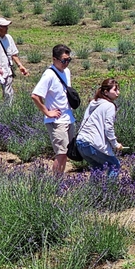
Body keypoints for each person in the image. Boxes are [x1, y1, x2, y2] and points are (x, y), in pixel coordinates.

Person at [31, 44, 76, 176]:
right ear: (54, 59)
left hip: (68, 118)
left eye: (69, 60)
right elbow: (35, 96)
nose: (66, 63)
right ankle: (55, 183)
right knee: (61, 153)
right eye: (63, 60)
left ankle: (59, 180)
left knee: (67, 152)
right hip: (57, 121)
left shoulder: (67, 72)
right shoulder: (49, 75)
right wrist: (47, 112)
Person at [76, 78, 123, 176]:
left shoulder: (93, 102)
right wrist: (115, 144)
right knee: (115, 165)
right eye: (115, 90)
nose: (118, 92)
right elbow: (109, 128)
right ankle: (110, 190)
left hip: (80, 143)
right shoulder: (109, 106)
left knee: (98, 167)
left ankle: (94, 190)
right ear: (106, 92)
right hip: (93, 143)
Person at [0, 17, 29, 104]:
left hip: (7, 69)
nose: (7, 28)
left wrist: (20, 65)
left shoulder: (9, 38)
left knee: (8, 93)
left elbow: (14, 54)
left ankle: (8, 111)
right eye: (4, 26)